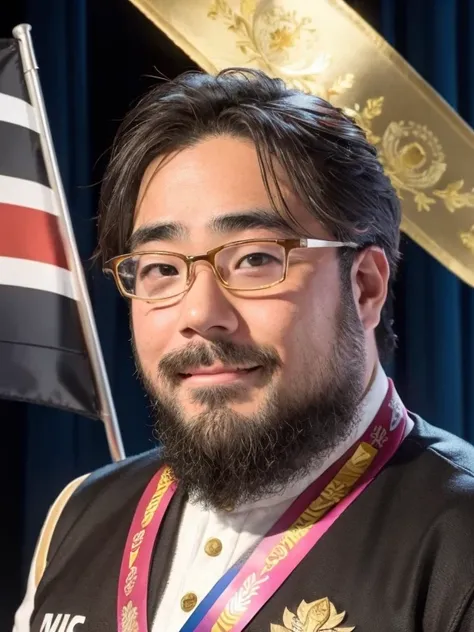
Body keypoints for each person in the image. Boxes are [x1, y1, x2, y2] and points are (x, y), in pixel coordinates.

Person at [13, 68, 474, 632]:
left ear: (365, 287)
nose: (200, 314)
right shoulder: (81, 515)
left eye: (255, 259)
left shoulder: (458, 540)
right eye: (160, 268)